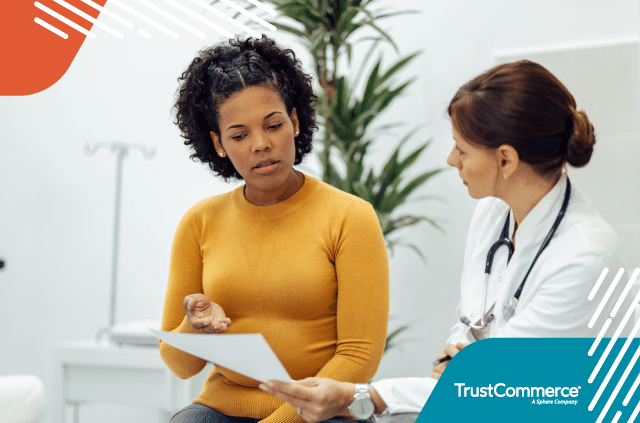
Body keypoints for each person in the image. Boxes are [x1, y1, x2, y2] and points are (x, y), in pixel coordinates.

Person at [259, 60, 635, 421]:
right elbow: (470, 328)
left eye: (462, 148)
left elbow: (497, 385)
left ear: (505, 160)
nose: (450, 159)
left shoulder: (584, 257)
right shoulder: (493, 212)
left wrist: (356, 397)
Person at [159, 36, 390, 423]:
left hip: (320, 413)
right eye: (239, 135)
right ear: (218, 144)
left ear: (295, 122)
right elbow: (179, 365)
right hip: (221, 408)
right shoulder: (199, 223)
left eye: (273, 125)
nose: (261, 144)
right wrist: (197, 328)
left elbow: (358, 357)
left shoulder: (350, 217)